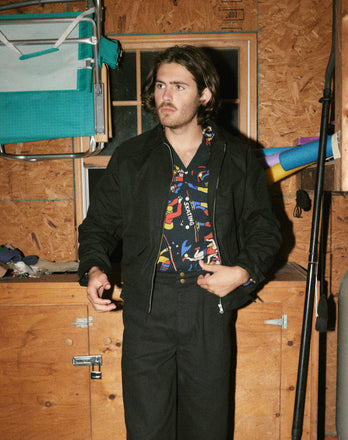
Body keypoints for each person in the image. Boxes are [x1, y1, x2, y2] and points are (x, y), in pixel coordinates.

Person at [78, 45, 282, 440]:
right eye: (159, 85)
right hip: (148, 305)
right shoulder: (132, 157)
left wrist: (241, 273)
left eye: (178, 86)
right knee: (147, 428)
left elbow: (266, 230)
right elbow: (98, 226)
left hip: (209, 302)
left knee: (206, 427)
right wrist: (95, 268)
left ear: (204, 95)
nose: (165, 96)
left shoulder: (237, 157)